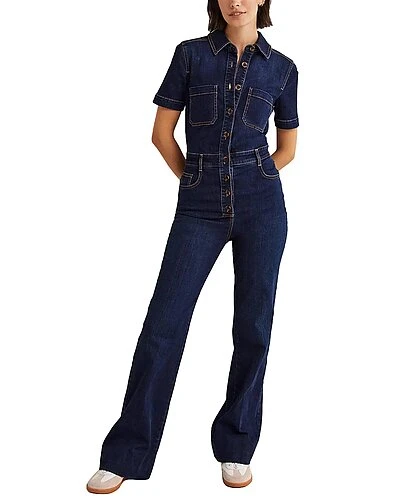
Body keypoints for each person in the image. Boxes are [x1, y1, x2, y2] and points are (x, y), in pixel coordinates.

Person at [86, 0, 299, 493]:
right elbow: (161, 134)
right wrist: (197, 180)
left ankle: (236, 446)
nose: (235, 1)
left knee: (254, 327)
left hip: (262, 206)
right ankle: (126, 453)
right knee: (163, 325)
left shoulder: (283, 69)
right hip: (199, 205)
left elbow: (287, 148)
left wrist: (254, 177)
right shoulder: (190, 55)